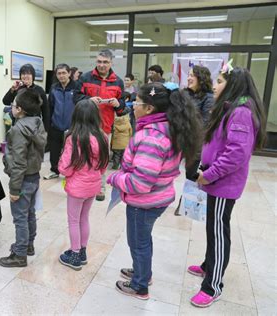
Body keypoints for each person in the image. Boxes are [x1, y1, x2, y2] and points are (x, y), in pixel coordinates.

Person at [107, 82, 202, 300]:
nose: (132, 105)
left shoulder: (151, 137)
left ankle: (140, 285)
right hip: (157, 198)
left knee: (138, 242)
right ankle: (143, 272)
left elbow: (140, 183)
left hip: (144, 202)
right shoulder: (168, 127)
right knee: (143, 239)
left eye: (137, 102)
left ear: (149, 108)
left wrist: (115, 178)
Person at [188, 66, 266, 308]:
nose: (214, 84)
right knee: (213, 228)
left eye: (220, 81)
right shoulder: (230, 107)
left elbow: (236, 154)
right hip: (214, 181)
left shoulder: (241, 112)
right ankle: (208, 265)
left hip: (223, 184)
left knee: (219, 232)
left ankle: (213, 285)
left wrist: (210, 175)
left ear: (233, 84)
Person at [57, 99, 109, 270]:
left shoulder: (74, 138)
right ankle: (83, 251)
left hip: (77, 187)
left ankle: (74, 255)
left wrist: (63, 168)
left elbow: (66, 167)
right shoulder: (103, 136)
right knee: (84, 218)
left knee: (73, 220)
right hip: (93, 185)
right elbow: (103, 165)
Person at [0, 89, 47, 268]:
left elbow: (18, 163)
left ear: (19, 109)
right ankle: (28, 245)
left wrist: (14, 189)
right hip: (33, 176)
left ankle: (19, 254)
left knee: (20, 217)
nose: (11, 107)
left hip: (23, 179)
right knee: (29, 214)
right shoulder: (37, 122)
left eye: (13, 105)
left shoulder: (19, 129)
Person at [74, 48, 126, 201]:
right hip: (85, 124)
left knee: (101, 158)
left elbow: (122, 107)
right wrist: (88, 100)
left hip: (105, 126)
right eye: (99, 61)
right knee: (82, 156)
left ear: (111, 63)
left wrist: (118, 104)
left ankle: (99, 188)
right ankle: (81, 185)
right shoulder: (85, 77)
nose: (102, 65)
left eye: (105, 62)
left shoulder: (118, 82)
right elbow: (75, 98)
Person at [174, 65, 215, 215]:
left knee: (191, 174)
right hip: (178, 138)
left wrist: (185, 123)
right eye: (189, 75)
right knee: (168, 168)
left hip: (195, 142)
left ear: (201, 78)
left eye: (192, 75)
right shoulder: (184, 93)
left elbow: (205, 122)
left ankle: (186, 204)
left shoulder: (209, 97)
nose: (189, 78)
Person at [43, 63, 79, 180]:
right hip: (56, 125)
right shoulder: (54, 88)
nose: (61, 75)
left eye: (64, 73)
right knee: (54, 150)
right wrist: (48, 125)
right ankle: (54, 170)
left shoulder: (76, 87)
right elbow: (50, 107)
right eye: (59, 73)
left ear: (69, 73)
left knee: (72, 151)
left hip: (72, 126)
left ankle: (72, 172)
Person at [2, 63, 50, 131]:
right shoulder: (17, 88)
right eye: (23, 74)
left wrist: (45, 130)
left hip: (34, 126)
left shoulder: (39, 90)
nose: (25, 76)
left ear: (33, 76)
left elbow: (46, 112)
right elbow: (5, 101)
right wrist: (12, 89)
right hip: (19, 124)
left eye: (28, 74)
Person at [111, 92, 133, 170]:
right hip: (125, 142)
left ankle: (115, 165)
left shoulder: (114, 123)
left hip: (116, 142)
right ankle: (123, 166)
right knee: (124, 154)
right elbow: (130, 132)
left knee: (116, 154)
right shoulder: (127, 122)